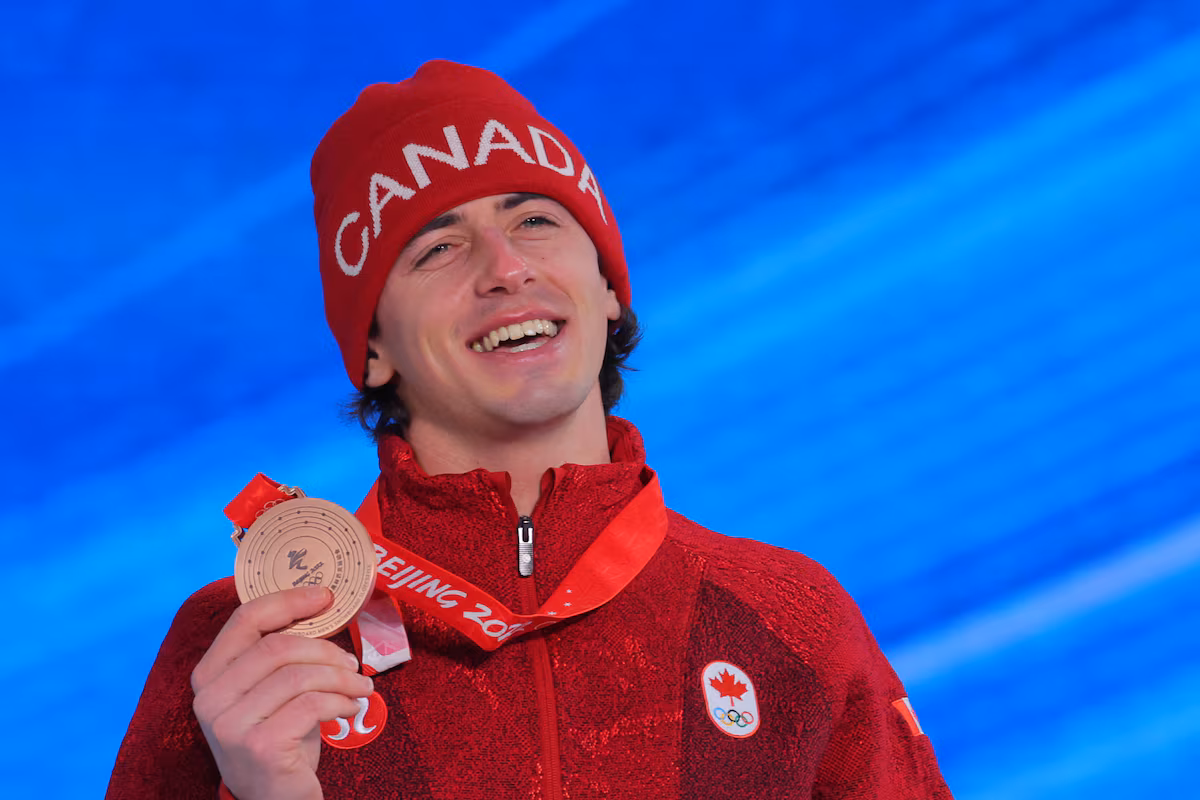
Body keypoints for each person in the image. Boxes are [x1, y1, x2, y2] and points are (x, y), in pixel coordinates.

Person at [107, 60, 952, 799]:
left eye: (535, 220)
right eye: (436, 248)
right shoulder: (249, 646)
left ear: (609, 286)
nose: (506, 268)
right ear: (370, 349)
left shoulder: (788, 620)